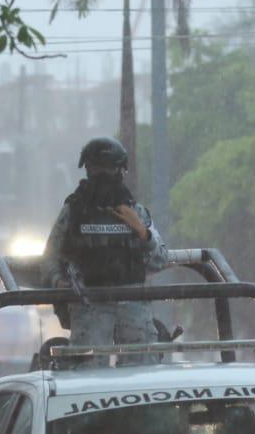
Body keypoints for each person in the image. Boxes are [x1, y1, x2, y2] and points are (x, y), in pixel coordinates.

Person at [45, 136, 170, 362]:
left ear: (120, 171)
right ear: (88, 170)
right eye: (96, 167)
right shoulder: (73, 212)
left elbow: (161, 259)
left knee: (141, 378)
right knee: (87, 380)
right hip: (89, 306)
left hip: (132, 306)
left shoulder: (136, 213)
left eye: (109, 168)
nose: (102, 174)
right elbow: (50, 257)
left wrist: (142, 232)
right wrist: (57, 280)